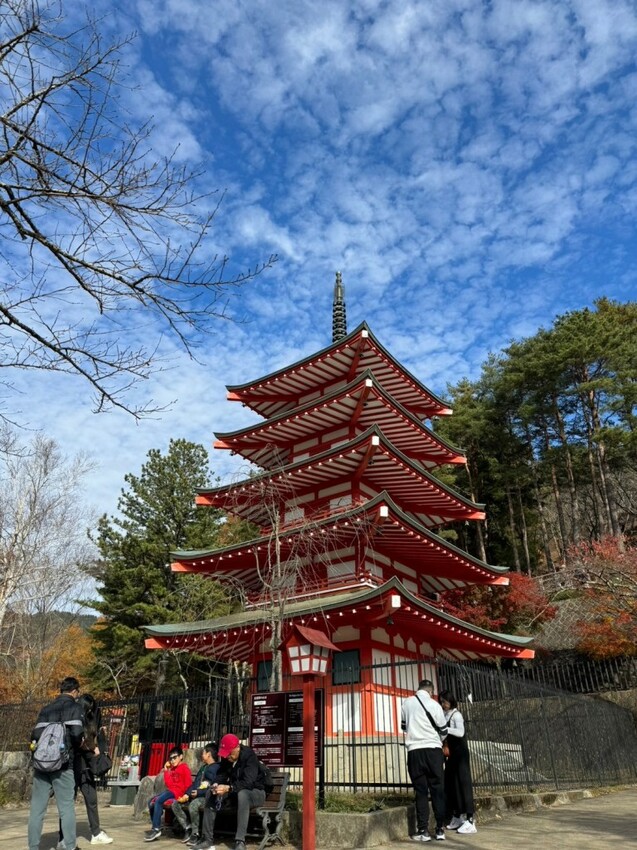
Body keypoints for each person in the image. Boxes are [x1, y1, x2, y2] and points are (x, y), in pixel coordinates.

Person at [27, 676, 85, 850]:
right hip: (63, 764)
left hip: (42, 765)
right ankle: (69, 846)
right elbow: (76, 734)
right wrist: (76, 745)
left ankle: (33, 846)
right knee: (66, 808)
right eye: (78, 692)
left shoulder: (46, 709)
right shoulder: (76, 708)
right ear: (74, 691)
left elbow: (35, 735)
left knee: (37, 809)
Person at [192, 734, 267, 850]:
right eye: (225, 753)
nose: (227, 756)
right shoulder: (227, 757)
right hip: (235, 792)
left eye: (229, 753)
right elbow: (222, 774)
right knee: (210, 793)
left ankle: (240, 841)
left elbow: (248, 783)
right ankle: (207, 839)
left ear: (237, 748)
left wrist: (229, 788)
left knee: (243, 794)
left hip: (255, 792)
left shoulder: (249, 756)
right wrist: (216, 784)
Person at [57, 694, 113, 847]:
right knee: (68, 802)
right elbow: (77, 741)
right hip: (72, 765)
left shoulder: (88, 719)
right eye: (90, 709)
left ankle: (96, 833)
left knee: (91, 799)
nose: (91, 712)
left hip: (85, 767)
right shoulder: (74, 717)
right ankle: (63, 838)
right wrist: (93, 749)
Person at [401, 679, 448, 842]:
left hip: (414, 750)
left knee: (420, 791)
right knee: (437, 790)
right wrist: (438, 739)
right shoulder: (435, 705)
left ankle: (423, 830)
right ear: (430, 691)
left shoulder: (407, 703)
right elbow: (443, 730)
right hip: (433, 750)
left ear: (418, 689)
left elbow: (404, 726)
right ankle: (440, 829)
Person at [439, 691, 477, 835]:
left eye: (445, 701)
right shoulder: (444, 715)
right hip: (452, 754)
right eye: (441, 702)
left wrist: (445, 729)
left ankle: (470, 819)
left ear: (451, 701)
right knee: (451, 784)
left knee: (463, 783)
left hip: (460, 753)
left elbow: (460, 732)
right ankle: (457, 815)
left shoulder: (456, 715)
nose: (443, 704)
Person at [171, 743, 220, 844]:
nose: (202, 755)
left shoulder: (216, 768)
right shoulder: (203, 768)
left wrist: (198, 792)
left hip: (206, 798)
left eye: (203, 753)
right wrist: (187, 794)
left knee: (193, 805)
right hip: (195, 795)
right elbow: (195, 784)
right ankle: (187, 827)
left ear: (209, 754)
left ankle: (195, 833)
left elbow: (212, 787)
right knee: (175, 804)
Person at [145, 747, 193, 842]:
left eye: (175, 757)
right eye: (170, 758)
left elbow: (188, 784)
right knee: (151, 801)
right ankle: (156, 825)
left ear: (181, 757)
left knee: (158, 801)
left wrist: (185, 795)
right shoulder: (173, 769)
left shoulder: (184, 768)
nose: (172, 760)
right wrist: (166, 770)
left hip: (178, 793)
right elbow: (169, 784)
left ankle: (156, 829)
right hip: (171, 791)